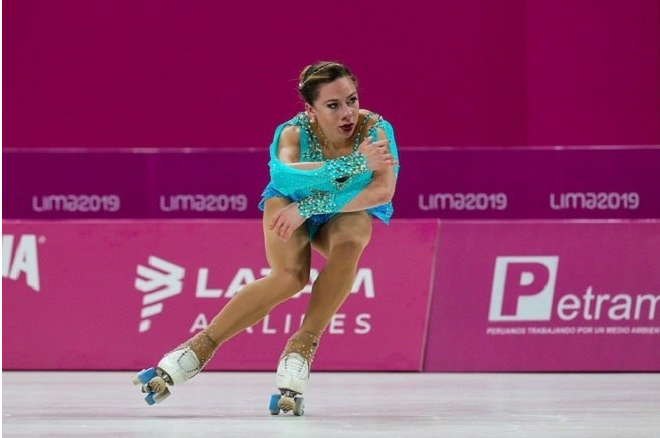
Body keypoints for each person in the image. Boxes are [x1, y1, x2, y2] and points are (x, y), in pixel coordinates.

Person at [137, 61, 399, 412]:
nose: (347, 113)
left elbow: (383, 191)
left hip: (340, 209)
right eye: (333, 105)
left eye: (351, 100)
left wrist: (313, 206)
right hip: (288, 202)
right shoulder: (291, 133)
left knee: (353, 239)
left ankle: (302, 346)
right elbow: (286, 177)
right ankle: (199, 347)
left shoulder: (376, 130)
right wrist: (353, 165)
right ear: (310, 109)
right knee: (290, 278)